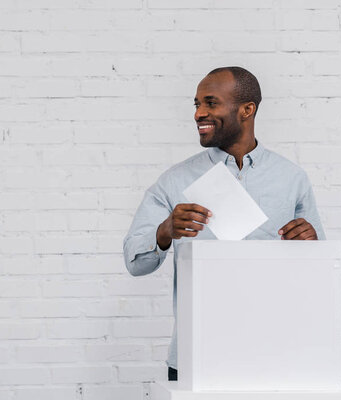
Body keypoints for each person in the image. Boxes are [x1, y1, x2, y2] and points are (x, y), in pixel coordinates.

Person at [123, 66, 325, 381]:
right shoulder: (175, 181)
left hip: (276, 352)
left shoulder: (292, 179)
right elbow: (135, 262)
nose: (198, 113)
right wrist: (164, 231)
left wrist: (312, 246)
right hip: (197, 355)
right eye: (196, 104)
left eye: (211, 103)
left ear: (247, 110)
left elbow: (320, 272)